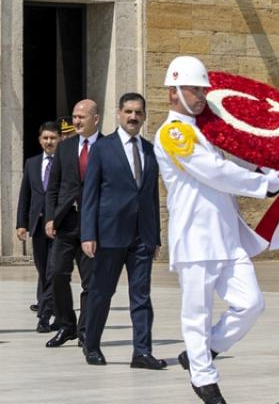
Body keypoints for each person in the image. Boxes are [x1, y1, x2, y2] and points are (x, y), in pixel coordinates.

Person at [154, 56, 279, 404]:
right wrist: (262, 185)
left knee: (251, 304)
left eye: (202, 89)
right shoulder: (173, 132)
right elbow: (212, 171)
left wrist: (267, 165)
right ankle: (204, 378)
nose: (201, 96)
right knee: (196, 313)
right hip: (195, 239)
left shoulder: (204, 132)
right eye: (195, 89)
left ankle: (204, 350)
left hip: (226, 236)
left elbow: (231, 161)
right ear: (174, 91)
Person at [79, 93, 165, 370]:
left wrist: (156, 237)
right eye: (128, 111)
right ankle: (91, 344)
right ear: (118, 113)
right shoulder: (103, 149)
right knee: (101, 293)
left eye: (138, 112)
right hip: (108, 235)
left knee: (141, 296)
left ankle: (142, 352)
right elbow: (90, 194)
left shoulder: (150, 150)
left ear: (144, 116)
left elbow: (151, 196)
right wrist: (87, 234)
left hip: (142, 237)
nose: (133, 117)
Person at [43, 99, 102, 348]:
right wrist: (50, 217)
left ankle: (86, 329)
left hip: (93, 225)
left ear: (95, 119)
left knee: (91, 281)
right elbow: (53, 186)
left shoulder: (108, 147)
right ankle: (67, 325)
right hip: (66, 222)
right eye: (75, 116)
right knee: (56, 273)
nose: (76, 121)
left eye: (82, 117)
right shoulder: (65, 149)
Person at [16, 121, 60, 332]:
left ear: (59, 139)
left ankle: (44, 315)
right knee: (43, 270)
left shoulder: (65, 162)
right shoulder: (32, 163)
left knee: (53, 270)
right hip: (37, 224)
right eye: (45, 138)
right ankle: (55, 309)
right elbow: (25, 194)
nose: (49, 142)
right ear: (40, 140)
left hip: (59, 226)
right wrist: (21, 223)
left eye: (52, 138)